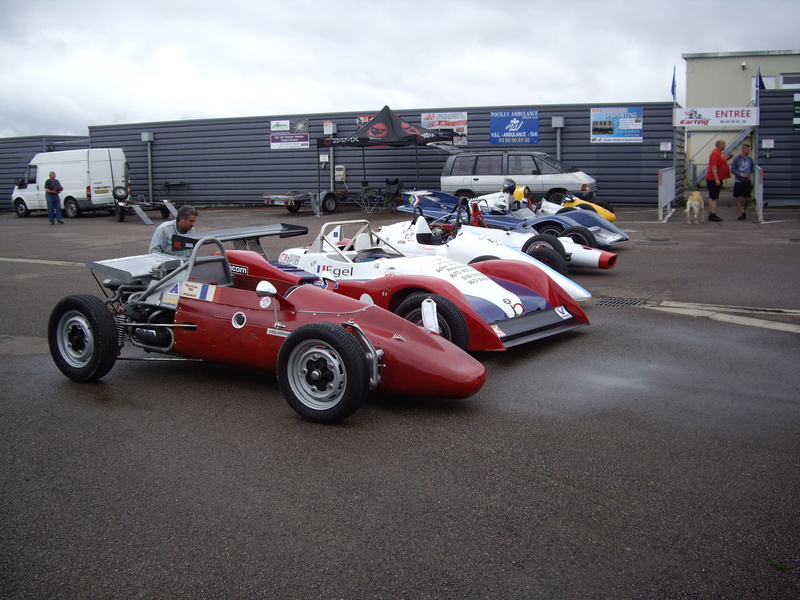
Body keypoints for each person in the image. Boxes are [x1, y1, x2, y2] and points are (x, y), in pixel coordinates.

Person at [705, 140, 733, 222]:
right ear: (719, 145)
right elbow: (714, 166)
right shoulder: (715, 153)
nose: (725, 146)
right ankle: (712, 214)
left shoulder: (720, 153)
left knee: (714, 196)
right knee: (713, 197)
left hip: (717, 178)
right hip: (712, 179)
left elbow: (721, 162)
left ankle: (713, 213)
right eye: (723, 144)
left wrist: (728, 158)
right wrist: (717, 179)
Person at [731, 143, 754, 221]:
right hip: (739, 181)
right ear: (743, 149)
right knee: (739, 197)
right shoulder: (737, 159)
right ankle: (739, 214)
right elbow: (733, 169)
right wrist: (741, 174)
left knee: (748, 198)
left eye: (749, 150)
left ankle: (744, 210)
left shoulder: (750, 159)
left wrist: (748, 175)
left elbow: (752, 169)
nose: (748, 151)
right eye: (747, 150)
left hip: (747, 181)